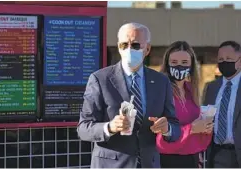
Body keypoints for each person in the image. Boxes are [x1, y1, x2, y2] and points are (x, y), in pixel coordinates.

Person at [77, 22, 181, 168]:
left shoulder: (161, 81)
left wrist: (167, 128)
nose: (129, 49)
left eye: (136, 45)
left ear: (148, 49)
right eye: (124, 45)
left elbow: (175, 127)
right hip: (111, 164)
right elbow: (84, 128)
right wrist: (110, 127)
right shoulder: (100, 79)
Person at [156, 41, 213, 168]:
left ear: (192, 66)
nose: (179, 67)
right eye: (174, 63)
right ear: (167, 64)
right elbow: (159, 133)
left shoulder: (191, 91)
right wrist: (191, 129)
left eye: (184, 63)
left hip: (191, 159)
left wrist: (205, 129)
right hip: (166, 160)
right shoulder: (160, 91)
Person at [203, 41, 241, 168]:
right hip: (218, 154)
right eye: (221, 59)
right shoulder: (211, 88)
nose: (224, 62)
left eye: (229, 59)